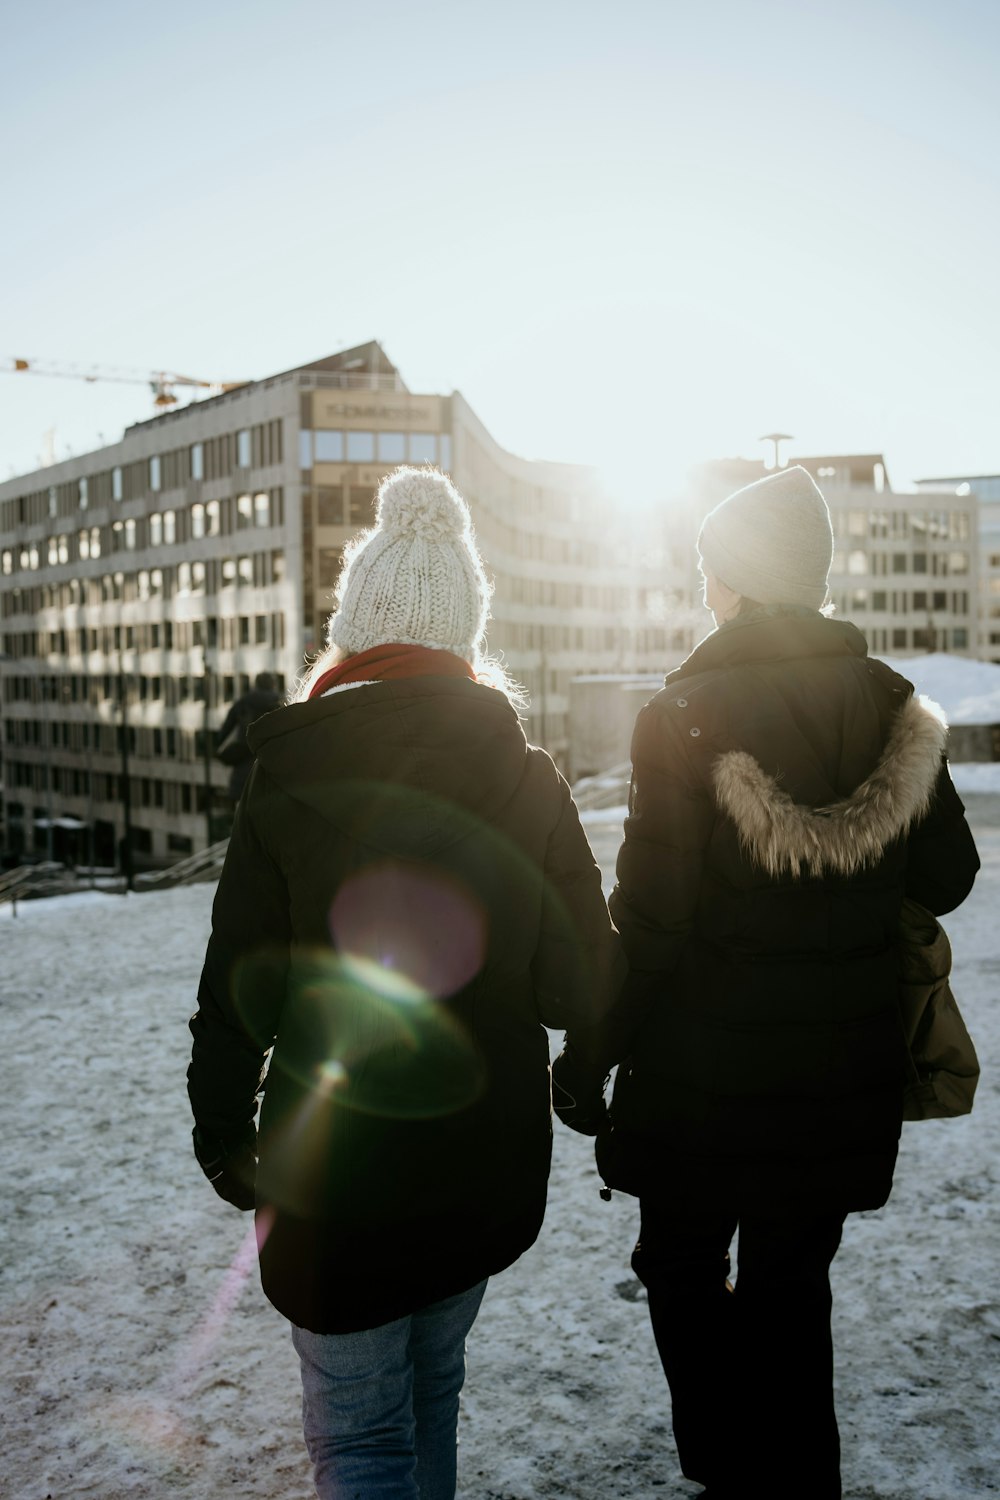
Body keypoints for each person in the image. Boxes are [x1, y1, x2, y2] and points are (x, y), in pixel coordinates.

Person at [188, 466, 619, 1500]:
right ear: (464, 639)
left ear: (352, 634)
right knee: (432, 1396)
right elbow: (584, 980)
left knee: (359, 1439)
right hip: (482, 1155)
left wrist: (221, 1131)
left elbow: (240, 983)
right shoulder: (528, 775)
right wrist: (580, 1074)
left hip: (333, 1169)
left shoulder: (288, 771)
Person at [553, 465, 980, 1500]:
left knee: (681, 1268)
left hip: (703, 1083)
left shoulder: (683, 714)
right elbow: (950, 877)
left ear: (738, 580)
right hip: (841, 1075)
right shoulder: (895, 709)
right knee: (793, 1287)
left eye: (710, 573)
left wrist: (590, 1058)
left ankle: (727, 1464)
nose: (704, 592)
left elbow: (647, 920)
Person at [214, 671, 282, 802]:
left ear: (256, 685)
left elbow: (224, 731)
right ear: (272, 684)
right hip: (270, 763)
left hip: (243, 763)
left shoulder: (244, 702)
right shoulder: (279, 702)